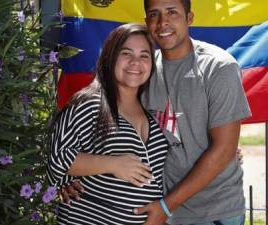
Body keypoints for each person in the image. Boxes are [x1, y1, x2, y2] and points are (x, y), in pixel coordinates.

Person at [61, 0, 251, 224]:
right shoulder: (142, 70)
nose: (163, 22)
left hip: (215, 210)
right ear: (147, 22)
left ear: (189, 18)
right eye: (154, 14)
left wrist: (166, 206)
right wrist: (66, 174)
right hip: (164, 207)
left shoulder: (218, 67)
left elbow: (223, 150)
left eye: (172, 12)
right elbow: (100, 120)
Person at [47, 23, 170, 224]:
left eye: (144, 56)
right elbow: (56, 159)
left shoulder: (153, 110)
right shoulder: (90, 104)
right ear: (111, 57)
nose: (135, 62)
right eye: (126, 54)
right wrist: (113, 164)